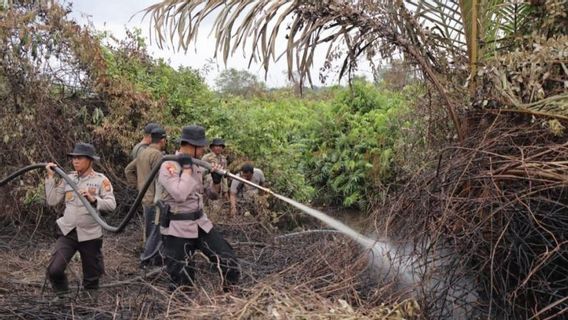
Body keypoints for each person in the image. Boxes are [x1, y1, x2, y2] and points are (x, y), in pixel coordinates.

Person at [158, 125, 240, 291]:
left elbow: (211, 195)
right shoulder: (168, 166)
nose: (203, 150)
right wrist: (187, 169)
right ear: (190, 145)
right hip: (177, 228)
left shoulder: (197, 165)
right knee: (182, 281)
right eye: (201, 146)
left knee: (228, 261)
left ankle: (228, 299)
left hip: (200, 223)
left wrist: (216, 182)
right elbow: (180, 194)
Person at [45, 143, 116, 295]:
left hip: (90, 235)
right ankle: (62, 298)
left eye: (79, 158)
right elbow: (52, 200)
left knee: (91, 279)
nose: (75, 161)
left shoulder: (100, 180)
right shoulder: (68, 178)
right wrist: (50, 178)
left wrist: (93, 199)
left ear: (90, 160)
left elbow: (111, 205)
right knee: (54, 270)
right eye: (73, 158)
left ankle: (88, 308)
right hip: (68, 231)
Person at [125, 127, 167, 267]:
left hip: (144, 197)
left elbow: (128, 170)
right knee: (156, 231)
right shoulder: (157, 155)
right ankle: (146, 259)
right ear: (162, 140)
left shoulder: (143, 153)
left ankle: (152, 260)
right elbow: (160, 180)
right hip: (155, 199)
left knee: (150, 230)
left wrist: (138, 186)